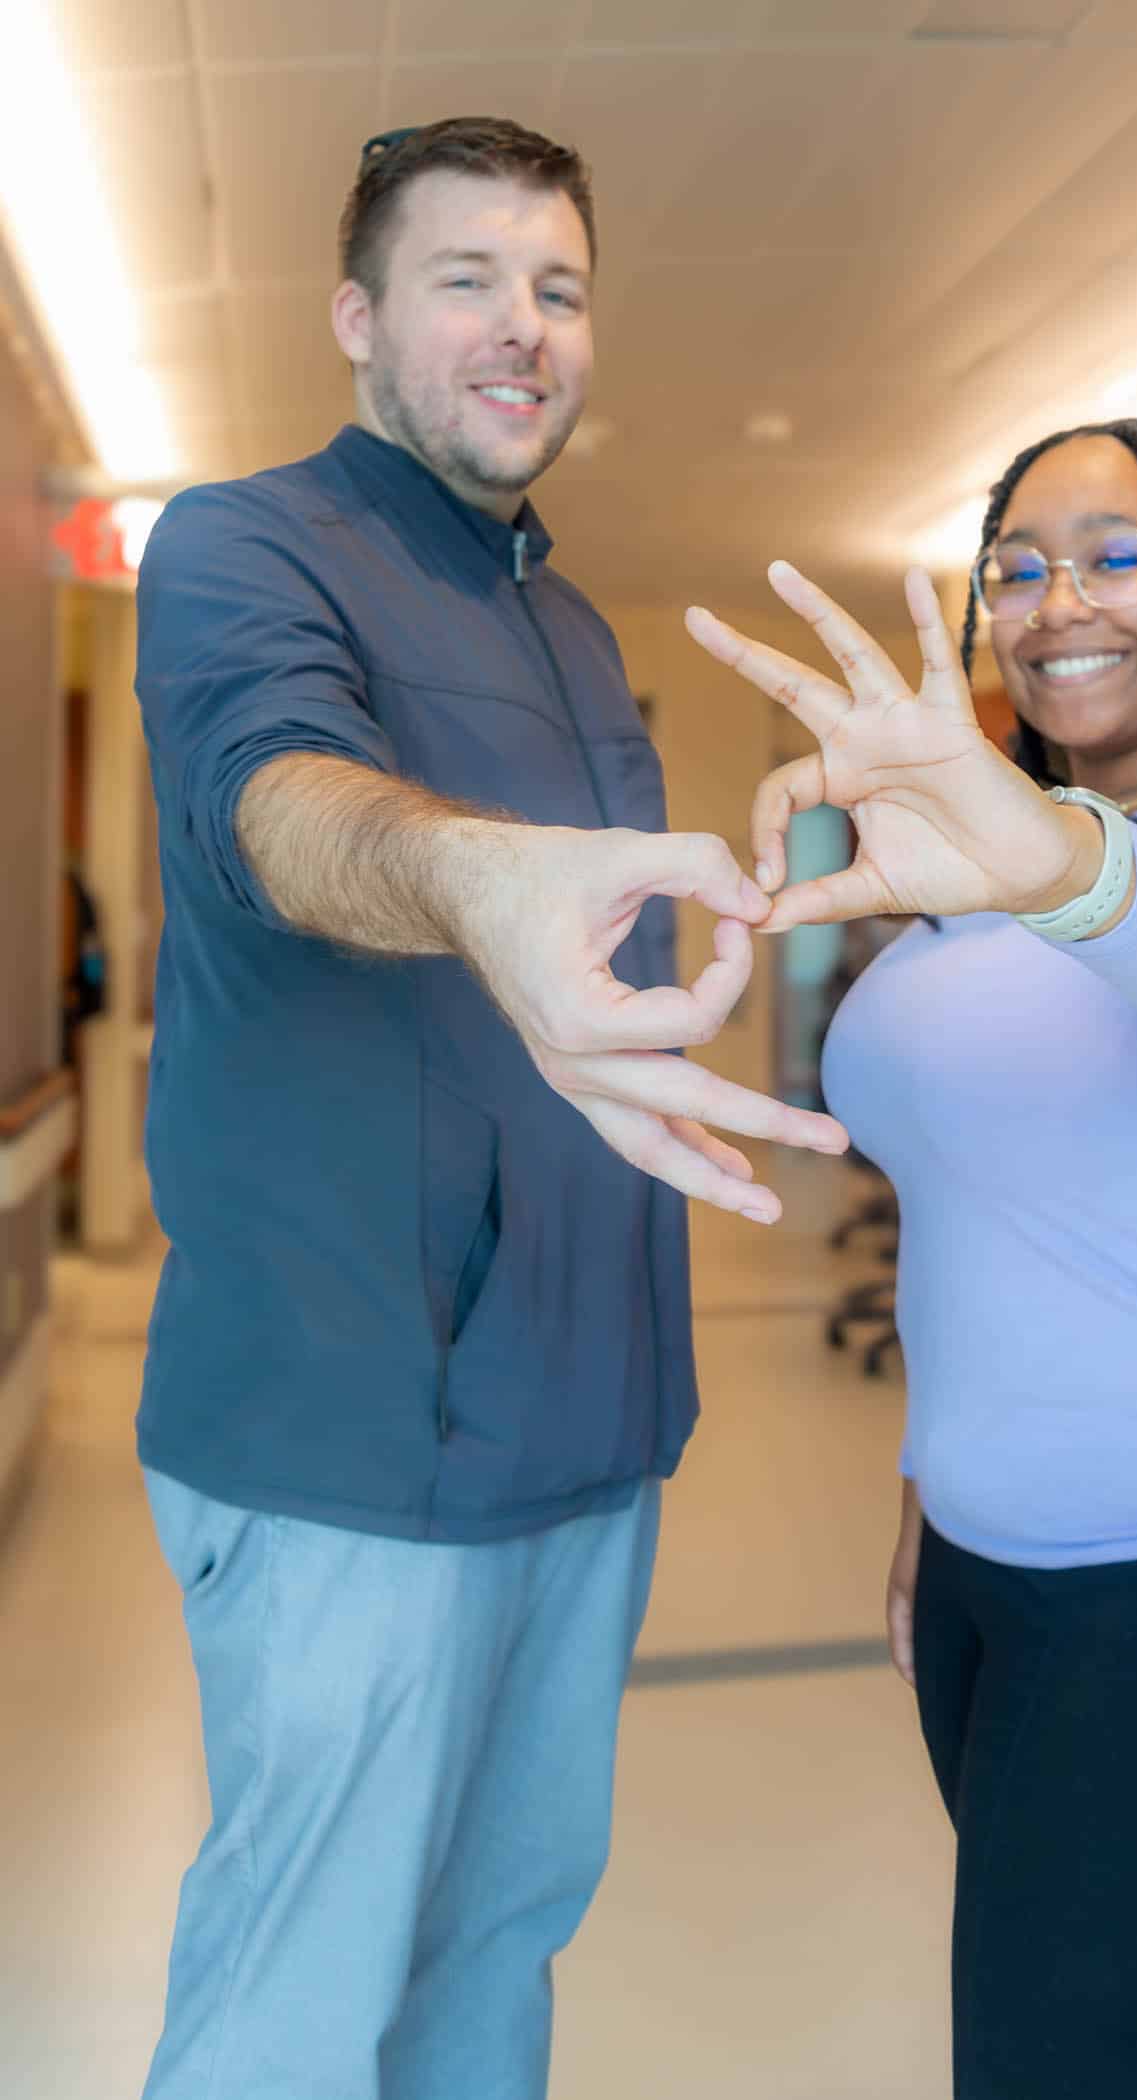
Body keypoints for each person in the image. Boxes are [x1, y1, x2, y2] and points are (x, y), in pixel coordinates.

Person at [131, 116, 844, 2100]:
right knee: (298, 2005)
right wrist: (472, 876)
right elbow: (282, 800)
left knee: (491, 1974)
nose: (522, 328)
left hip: (581, 1435)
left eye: (558, 287)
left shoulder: (577, 629)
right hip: (355, 1435)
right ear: (358, 315)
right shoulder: (246, 547)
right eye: (467, 279)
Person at [689, 417, 1137, 2100]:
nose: (1050, 598)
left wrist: (1051, 862)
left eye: (1108, 555)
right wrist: (942, 1493)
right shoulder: (975, 885)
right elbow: (991, 1209)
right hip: (992, 1580)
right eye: (1014, 566)